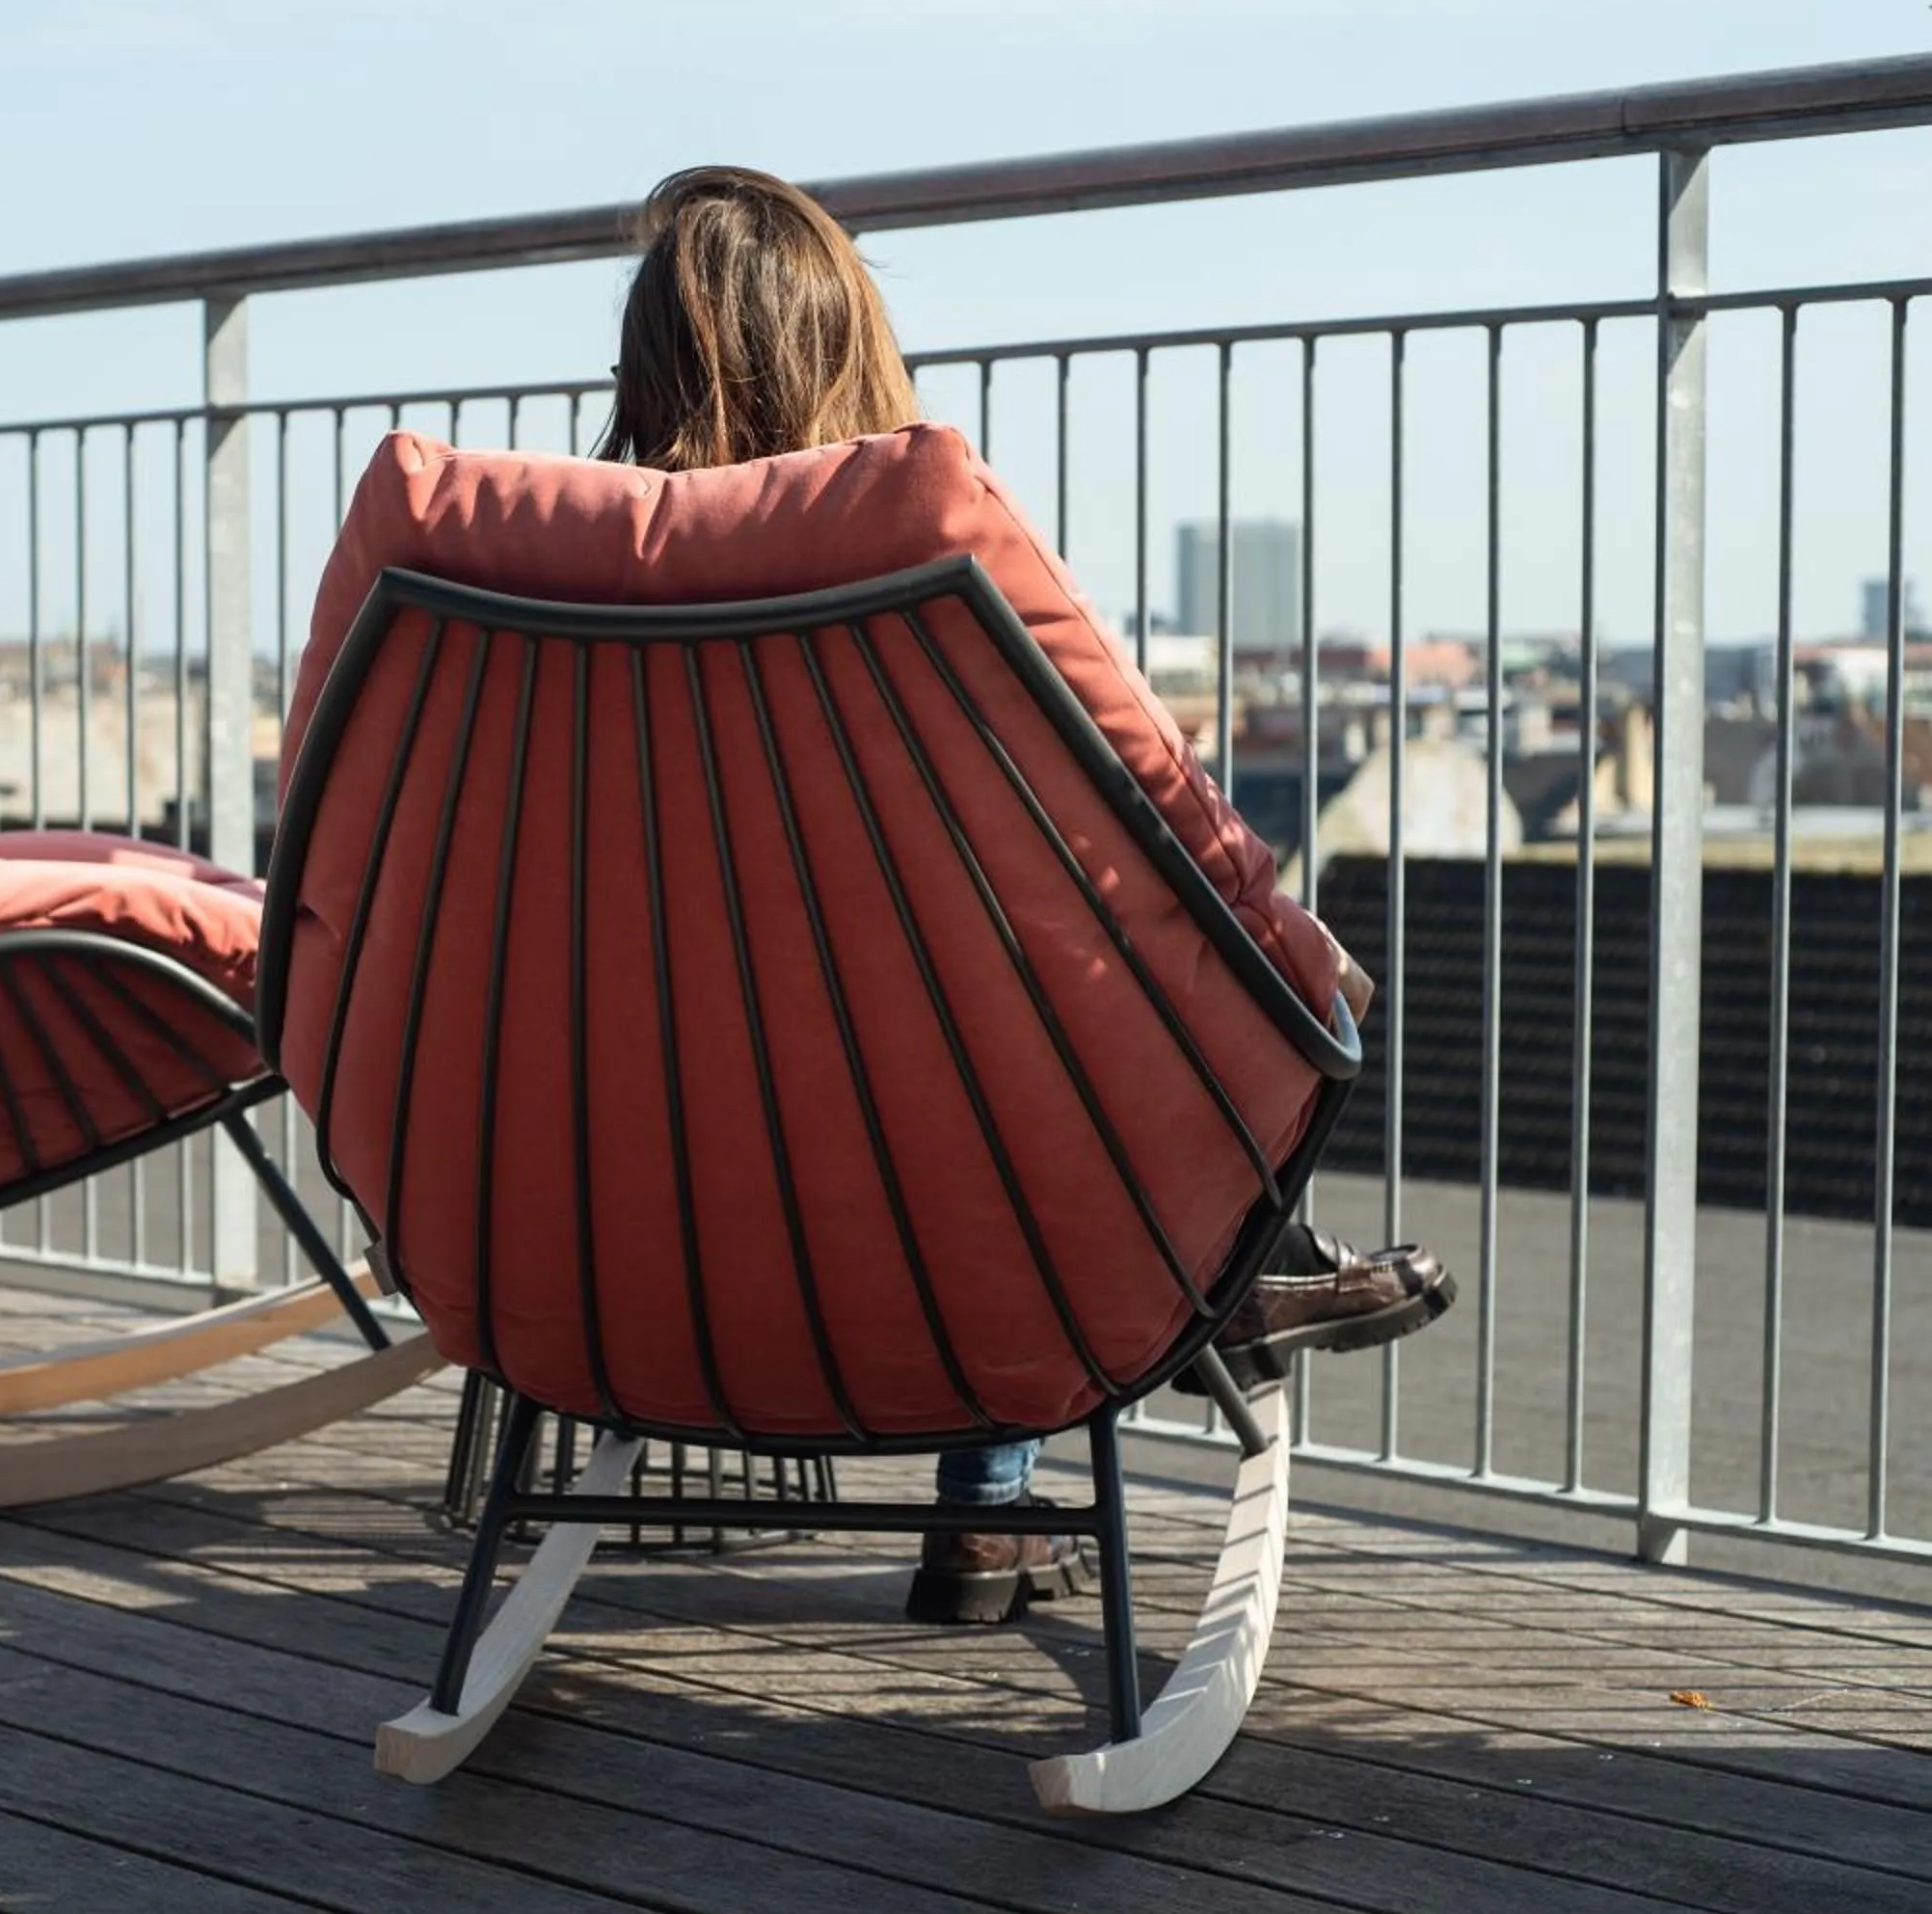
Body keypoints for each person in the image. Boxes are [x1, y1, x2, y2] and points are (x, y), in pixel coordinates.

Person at [595, 164, 1456, 1629]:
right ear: (850, 352)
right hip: (934, 1199)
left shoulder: (536, 597)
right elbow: (1165, 820)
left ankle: (1157, 1360)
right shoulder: (927, 571)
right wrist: (1302, 964)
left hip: (634, 1211)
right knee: (1029, 1039)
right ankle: (1199, 1314)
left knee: (914, 1055)